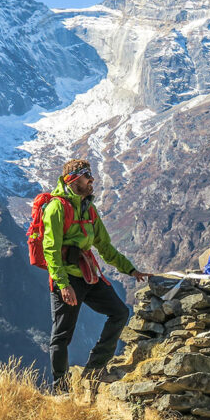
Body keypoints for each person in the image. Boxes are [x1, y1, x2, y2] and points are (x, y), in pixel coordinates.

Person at [42, 159, 150, 390]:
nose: (92, 180)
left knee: (120, 312)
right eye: (86, 177)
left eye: (90, 176)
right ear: (73, 179)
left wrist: (130, 269)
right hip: (68, 279)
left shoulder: (89, 208)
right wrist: (62, 284)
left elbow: (105, 246)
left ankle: (95, 367)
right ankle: (61, 387)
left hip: (88, 275)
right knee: (62, 335)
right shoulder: (56, 207)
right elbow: (50, 250)